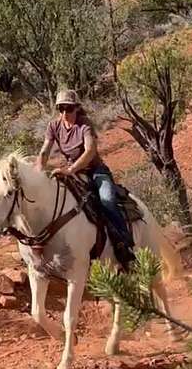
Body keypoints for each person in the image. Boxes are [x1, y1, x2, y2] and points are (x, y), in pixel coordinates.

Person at [35, 88, 135, 268]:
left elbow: (90, 151)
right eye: (61, 108)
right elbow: (44, 151)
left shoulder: (84, 124)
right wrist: (38, 171)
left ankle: (123, 243)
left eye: (69, 108)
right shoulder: (54, 126)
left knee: (107, 199)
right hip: (72, 171)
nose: (65, 113)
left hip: (95, 170)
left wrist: (71, 169)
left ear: (77, 108)